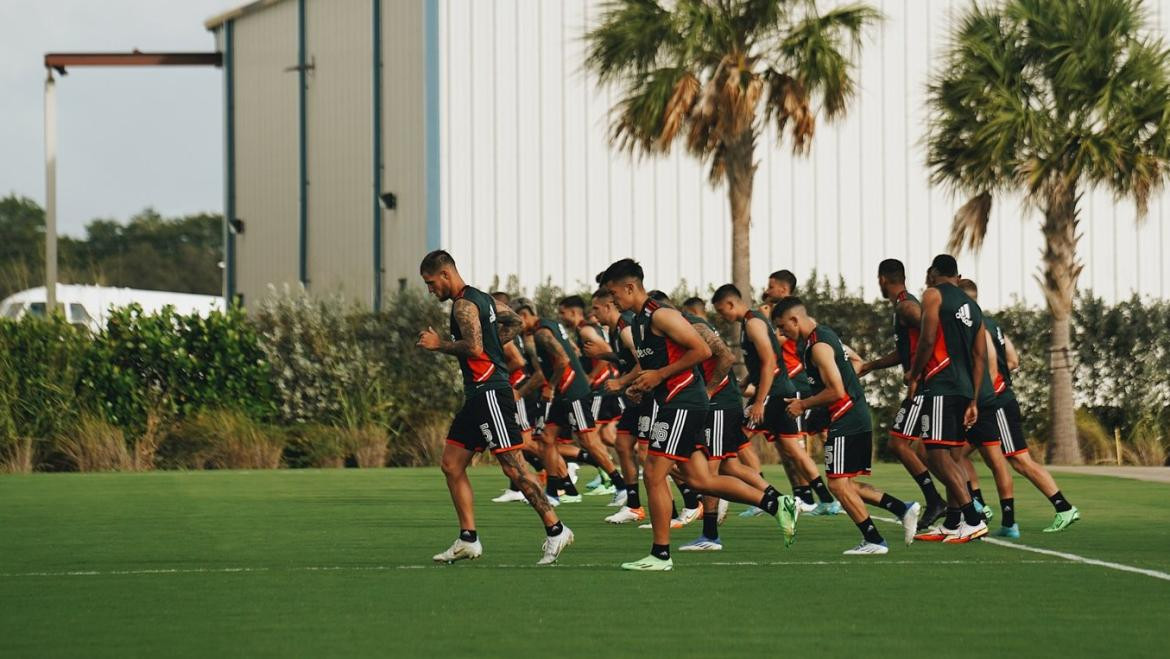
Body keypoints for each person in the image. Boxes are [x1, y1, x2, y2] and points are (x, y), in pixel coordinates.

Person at [600, 259, 798, 571]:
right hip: (672, 401)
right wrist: (641, 384)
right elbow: (657, 365)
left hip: (684, 401)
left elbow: (702, 351)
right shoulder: (637, 322)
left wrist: (660, 375)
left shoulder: (661, 314)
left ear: (630, 287)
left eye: (614, 293)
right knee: (700, 479)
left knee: (653, 472)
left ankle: (660, 555)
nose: (612, 300)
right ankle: (775, 503)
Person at [415, 250, 572, 565]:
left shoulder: (463, 304)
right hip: (477, 395)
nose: (431, 290)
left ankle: (556, 529)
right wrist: (493, 343)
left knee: (513, 466)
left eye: (431, 283)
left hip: (490, 393)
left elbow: (473, 348)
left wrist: (439, 345)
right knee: (451, 463)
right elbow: (513, 320)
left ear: (445, 274)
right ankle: (468, 539)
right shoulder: (483, 299)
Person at [774, 297, 921, 554]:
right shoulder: (824, 334)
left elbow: (836, 390)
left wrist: (803, 404)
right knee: (846, 484)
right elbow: (855, 361)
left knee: (838, 485)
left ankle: (874, 540)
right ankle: (902, 509)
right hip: (854, 413)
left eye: (782, 326)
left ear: (794, 320)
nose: (781, 332)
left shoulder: (817, 346)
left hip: (847, 416)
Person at [957, 279, 1080, 536]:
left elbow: (995, 367)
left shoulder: (975, 328)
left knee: (1019, 460)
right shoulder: (993, 325)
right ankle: (980, 505)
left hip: (996, 404)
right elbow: (1013, 361)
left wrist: (984, 393)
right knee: (955, 454)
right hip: (993, 401)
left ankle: (1063, 507)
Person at [712, 284, 839, 513]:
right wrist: (748, 379)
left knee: (737, 441)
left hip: (773, 393)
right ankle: (827, 500)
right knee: (792, 448)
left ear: (731, 304)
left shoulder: (753, 322)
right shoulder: (750, 322)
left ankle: (762, 498)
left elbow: (769, 361)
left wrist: (759, 402)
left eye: (722, 311)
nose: (723, 317)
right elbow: (763, 360)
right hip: (780, 391)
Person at [679, 303, 785, 551]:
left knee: (708, 474)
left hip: (719, 406)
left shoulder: (693, 325)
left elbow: (728, 357)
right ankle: (780, 502)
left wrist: (709, 391)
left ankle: (710, 535)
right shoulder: (691, 325)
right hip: (722, 404)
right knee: (730, 465)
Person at [857, 259, 948, 529]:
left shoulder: (908, 306)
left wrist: (917, 374)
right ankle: (966, 504)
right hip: (924, 384)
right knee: (932, 450)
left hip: (924, 385)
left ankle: (936, 500)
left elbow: (932, 338)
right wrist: (870, 366)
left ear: (882, 279)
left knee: (898, 444)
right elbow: (905, 352)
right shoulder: (902, 308)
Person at [905, 254, 990, 544]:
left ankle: (973, 518)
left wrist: (915, 374)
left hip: (941, 384)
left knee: (935, 455)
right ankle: (953, 522)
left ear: (934, 272)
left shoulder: (933, 294)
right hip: (965, 388)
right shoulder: (975, 308)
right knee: (951, 454)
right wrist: (974, 399)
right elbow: (981, 357)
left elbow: (927, 339)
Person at [513, 299, 629, 506]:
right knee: (546, 439)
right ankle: (553, 492)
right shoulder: (549, 326)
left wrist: (551, 385)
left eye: (515, 322)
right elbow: (573, 352)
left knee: (589, 441)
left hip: (571, 391)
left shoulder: (542, 333)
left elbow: (563, 360)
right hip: (562, 394)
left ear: (523, 316)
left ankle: (621, 486)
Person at [557, 295, 624, 495]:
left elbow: (607, 353)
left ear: (573, 312)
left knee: (590, 438)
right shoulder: (583, 330)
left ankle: (612, 481)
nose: (561, 317)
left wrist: (589, 377)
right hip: (598, 388)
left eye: (562, 312)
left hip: (597, 389)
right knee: (598, 437)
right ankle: (609, 478)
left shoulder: (586, 329)